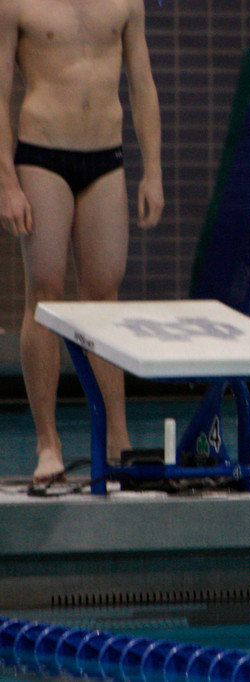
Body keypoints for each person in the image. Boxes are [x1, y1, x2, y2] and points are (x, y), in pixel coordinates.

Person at [0, 0, 164, 485]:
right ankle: (47, 442)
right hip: (41, 156)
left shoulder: (125, 2)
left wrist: (152, 171)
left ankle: (118, 436)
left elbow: (143, 85)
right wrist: (7, 182)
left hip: (106, 160)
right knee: (45, 297)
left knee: (104, 300)